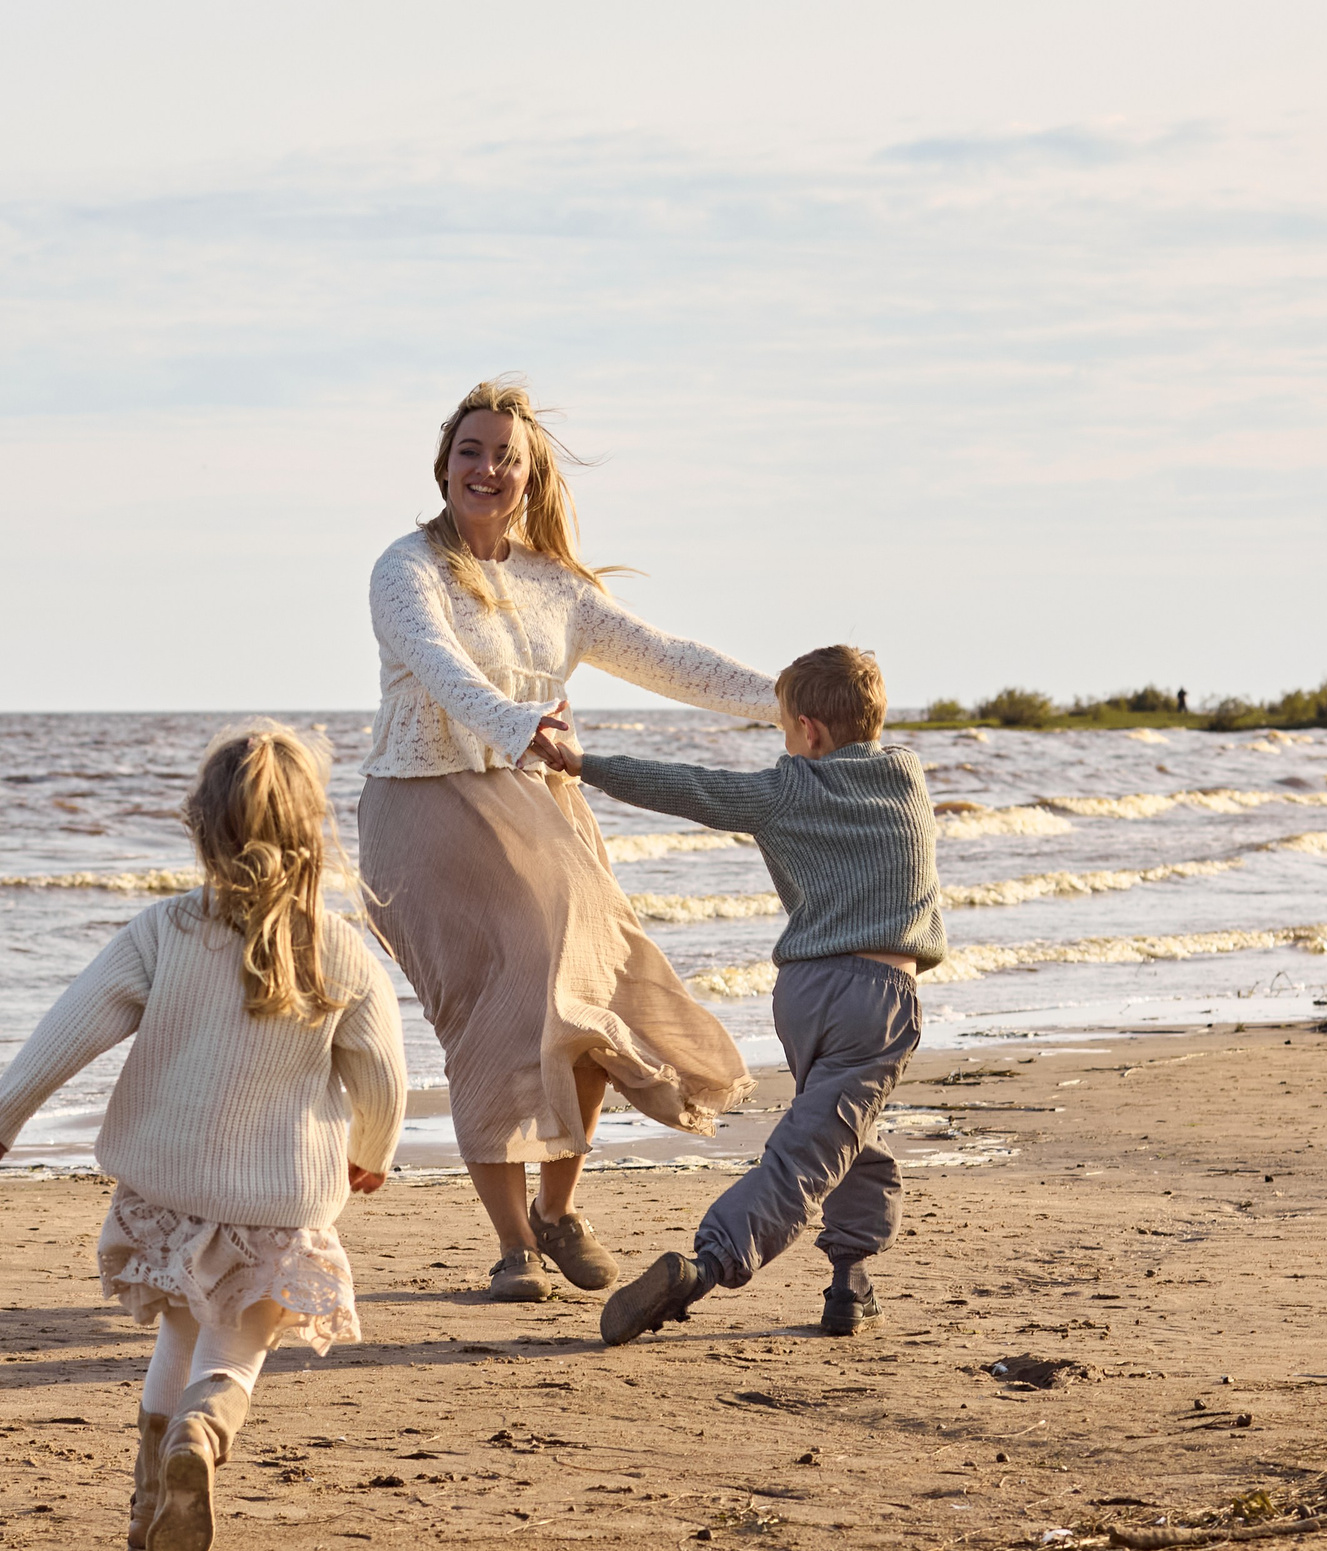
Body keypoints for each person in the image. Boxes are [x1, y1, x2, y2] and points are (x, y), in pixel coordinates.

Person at [356, 375, 782, 1304]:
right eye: (471, 451)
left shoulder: (557, 587)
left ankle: (558, 1207)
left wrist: (784, 698)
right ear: (444, 465)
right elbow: (440, 670)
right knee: (488, 1019)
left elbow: (667, 656)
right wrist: (518, 725)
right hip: (425, 814)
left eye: (506, 457)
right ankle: (513, 1246)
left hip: (542, 806)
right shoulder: (407, 568)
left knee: (587, 997)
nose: (487, 468)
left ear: (531, 477)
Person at [0, 724, 406, 1551]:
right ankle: (203, 1432)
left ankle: (144, 1510)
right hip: (276, 1201)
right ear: (314, 836)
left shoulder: (163, 931)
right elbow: (383, 1070)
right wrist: (371, 1148)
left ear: (201, 826)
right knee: (236, 1350)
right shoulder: (341, 950)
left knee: (178, 1335)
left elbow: (71, 1028)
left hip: (166, 1189)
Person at [552, 645, 945, 1341]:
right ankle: (706, 1264)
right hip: (878, 997)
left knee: (844, 1132)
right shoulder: (907, 777)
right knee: (810, 1151)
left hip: (804, 995)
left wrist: (586, 763)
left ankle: (850, 1282)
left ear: (810, 730)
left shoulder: (788, 789)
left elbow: (690, 787)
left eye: (786, 731)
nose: (787, 747)